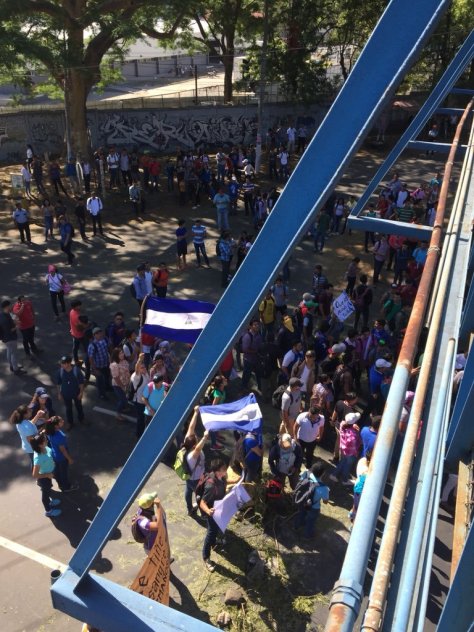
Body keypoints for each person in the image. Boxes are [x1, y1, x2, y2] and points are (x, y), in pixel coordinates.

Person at [200, 458, 228, 572]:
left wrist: (237, 481)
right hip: (212, 513)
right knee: (211, 533)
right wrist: (208, 511)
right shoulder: (210, 486)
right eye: (223, 469)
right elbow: (202, 502)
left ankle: (214, 542)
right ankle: (206, 557)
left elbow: (225, 482)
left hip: (219, 510)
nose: (226, 470)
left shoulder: (222, 477)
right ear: (217, 472)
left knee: (217, 528)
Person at [182, 406, 209, 514]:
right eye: (196, 439)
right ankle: (203, 513)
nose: (197, 437)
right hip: (196, 479)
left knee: (188, 491)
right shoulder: (193, 455)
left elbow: (191, 428)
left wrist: (196, 412)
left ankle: (189, 509)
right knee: (200, 496)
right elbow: (198, 449)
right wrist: (205, 437)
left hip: (189, 476)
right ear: (194, 446)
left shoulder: (186, 442)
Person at [30, 433, 62, 518]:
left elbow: (48, 456)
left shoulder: (45, 448)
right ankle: (48, 511)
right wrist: (47, 475)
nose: (47, 440)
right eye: (45, 440)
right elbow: (35, 475)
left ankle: (50, 502)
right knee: (45, 495)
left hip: (48, 474)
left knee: (48, 489)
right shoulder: (38, 458)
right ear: (40, 445)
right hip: (44, 478)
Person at [294, 463, 329, 538]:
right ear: (323, 474)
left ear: (312, 470)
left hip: (303, 502)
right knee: (311, 521)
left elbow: (300, 482)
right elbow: (325, 501)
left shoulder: (306, 475)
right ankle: (307, 535)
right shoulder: (324, 488)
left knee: (301, 514)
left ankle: (297, 526)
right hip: (314, 507)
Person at [44, 416, 78, 492]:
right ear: (56, 425)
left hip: (54, 454)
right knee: (63, 472)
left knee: (57, 470)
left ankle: (59, 483)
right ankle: (66, 487)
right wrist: (69, 459)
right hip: (61, 457)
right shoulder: (59, 436)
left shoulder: (49, 431)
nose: (63, 421)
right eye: (61, 421)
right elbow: (63, 450)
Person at [329, 412, 361, 485]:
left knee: (342, 461)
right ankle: (345, 480)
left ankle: (334, 475)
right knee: (347, 465)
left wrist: (353, 426)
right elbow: (354, 446)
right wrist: (358, 432)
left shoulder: (342, 424)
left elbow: (348, 426)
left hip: (343, 449)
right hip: (350, 453)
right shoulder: (353, 434)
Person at [57, 355, 85, 427]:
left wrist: (81, 393)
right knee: (68, 408)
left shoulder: (76, 371)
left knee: (79, 406)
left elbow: (81, 383)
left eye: (64, 363)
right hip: (66, 394)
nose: (62, 365)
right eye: (61, 363)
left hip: (76, 393)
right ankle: (70, 422)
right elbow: (58, 383)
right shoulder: (60, 371)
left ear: (69, 363)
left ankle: (81, 419)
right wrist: (59, 394)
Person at [0, 300, 25, 375]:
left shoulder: (2, 314)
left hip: (5, 338)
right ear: (7, 306)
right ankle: (16, 369)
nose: (11, 306)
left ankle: (12, 366)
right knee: (14, 354)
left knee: (9, 351)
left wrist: (14, 322)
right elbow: (10, 330)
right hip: (10, 338)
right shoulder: (5, 318)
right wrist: (17, 326)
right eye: (10, 305)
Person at [129, 354, 150, 439]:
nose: (144, 368)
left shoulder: (145, 373)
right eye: (142, 368)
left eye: (144, 367)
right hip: (139, 402)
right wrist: (140, 360)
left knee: (144, 418)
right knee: (140, 419)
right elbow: (137, 368)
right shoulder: (136, 376)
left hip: (145, 400)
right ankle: (139, 435)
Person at [88, 327, 111, 400]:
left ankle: (107, 387)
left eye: (100, 332)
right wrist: (94, 369)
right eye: (97, 334)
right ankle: (101, 394)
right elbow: (90, 358)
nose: (99, 334)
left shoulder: (104, 340)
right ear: (94, 335)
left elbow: (108, 349)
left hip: (106, 364)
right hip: (98, 367)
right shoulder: (92, 345)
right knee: (100, 381)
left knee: (107, 377)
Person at [110, 347, 131, 422]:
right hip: (118, 385)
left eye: (122, 352)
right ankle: (118, 414)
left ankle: (124, 408)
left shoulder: (124, 361)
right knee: (122, 400)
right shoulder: (114, 365)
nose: (122, 354)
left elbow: (127, 371)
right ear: (116, 355)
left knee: (125, 397)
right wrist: (122, 387)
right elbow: (116, 378)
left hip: (126, 383)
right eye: (120, 353)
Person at [241, 319, 263, 391]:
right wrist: (255, 351)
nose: (257, 326)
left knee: (259, 374)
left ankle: (260, 387)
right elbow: (244, 349)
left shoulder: (258, 334)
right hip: (249, 360)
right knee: (247, 375)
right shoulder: (247, 336)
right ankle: (243, 387)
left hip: (257, 359)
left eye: (258, 324)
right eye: (255, 325)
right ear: (250, 326)